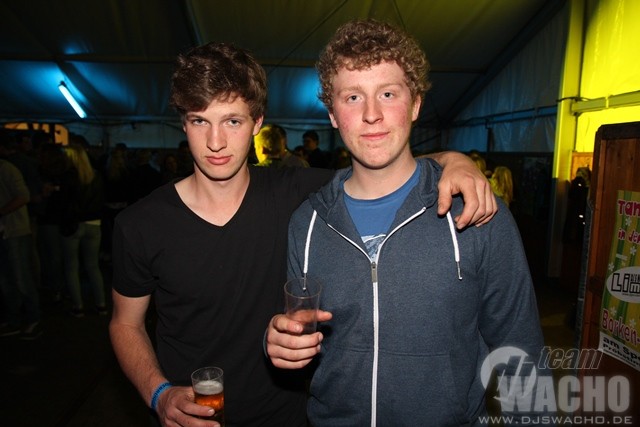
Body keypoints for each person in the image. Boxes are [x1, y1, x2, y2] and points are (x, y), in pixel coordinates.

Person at [109, 41, 496, 427]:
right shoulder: (142, 224)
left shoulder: (297, 193)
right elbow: (125, 324)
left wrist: (454, 160)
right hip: (192, 418)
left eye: (232, 121)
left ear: (257, 123)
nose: (215, 142)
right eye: (200, 121)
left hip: (284, 417)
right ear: (183, 122)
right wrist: (158, 393)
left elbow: (386, 168)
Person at [266, 19, 547, 426]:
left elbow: (522, 354)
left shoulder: (476, 211)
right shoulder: (307, 223)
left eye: (388, 93)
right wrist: (280, 343)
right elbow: (301, 336)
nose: (372, 114)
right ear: (332, 114)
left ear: (415, 104)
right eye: (352, 97)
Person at [60, 143, 107, 317]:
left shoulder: (68, 176)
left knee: (72, 266)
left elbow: (65, 203)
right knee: (93, 266)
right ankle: (101, 304)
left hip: (73, 225)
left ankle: (78, 306)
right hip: (94, 223)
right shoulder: (95, 175)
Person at [0, 157, 41, 339]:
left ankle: (33, 318)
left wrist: (2, 211)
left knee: (21, 277)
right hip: (8, 231)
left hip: (14, 230)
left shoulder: (7, 169)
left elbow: (24, 195)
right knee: (6, 279)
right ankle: (15, 319)